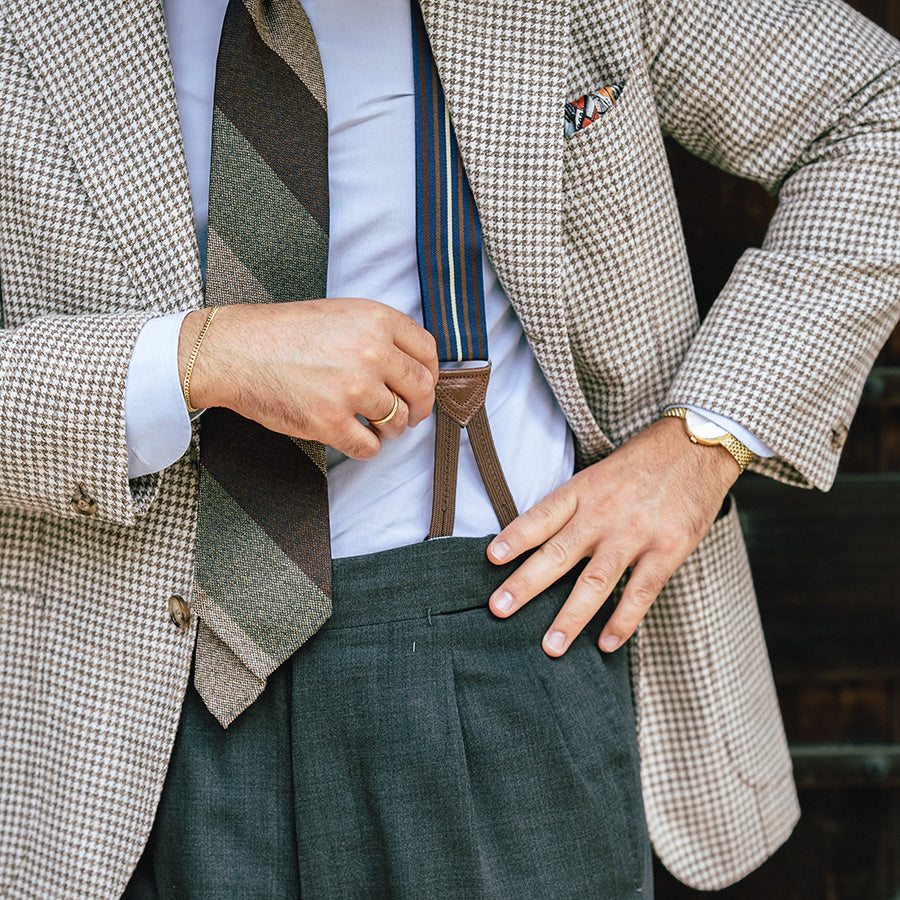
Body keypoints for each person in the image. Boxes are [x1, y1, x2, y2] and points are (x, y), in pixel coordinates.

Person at [0, 0, 898, 896]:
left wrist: (704, 445)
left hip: (505, 644)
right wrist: (196, 359)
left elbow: (878, 113)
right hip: (112, 714)